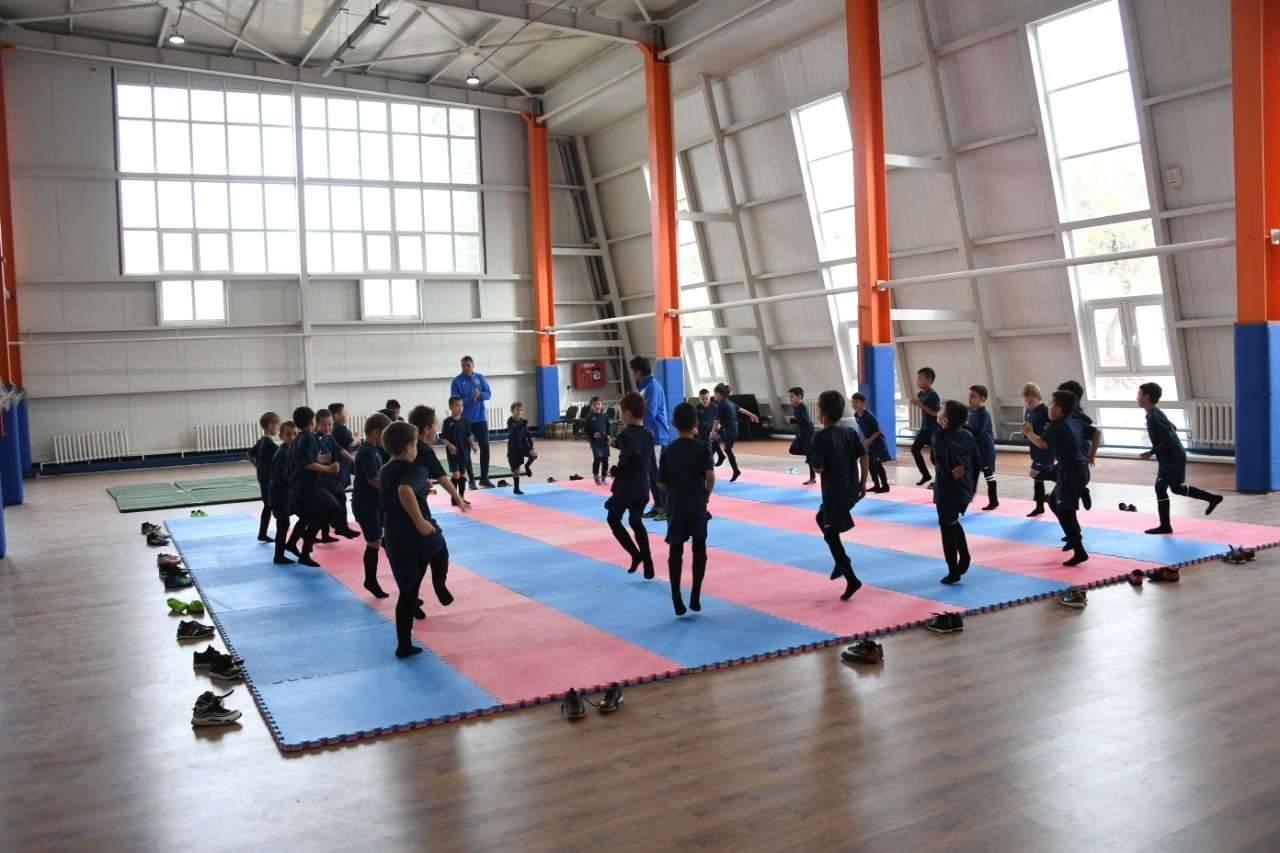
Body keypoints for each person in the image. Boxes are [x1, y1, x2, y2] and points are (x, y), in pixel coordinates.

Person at [379, 420, 470, 659]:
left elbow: (397, 491)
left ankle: (404, 645)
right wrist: (420, 521)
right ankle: (439, 584)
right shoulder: (417, 470)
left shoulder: (384, 470)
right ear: (409, 447)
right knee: (440, 550)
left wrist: (422, 489)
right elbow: (404, 491)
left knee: (408, 592)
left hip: (394, 537)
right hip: (418, 535)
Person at [1138, 382, 1222, 534]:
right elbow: (1173, 428)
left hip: (1172, 456)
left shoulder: (1154, 416)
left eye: (1139, 394)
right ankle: (1212, 498)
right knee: (1176, 488)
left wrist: (1151, 452)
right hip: (1171, 455)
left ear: (1147, 397)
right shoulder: (1154, 413)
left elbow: (1169, 438)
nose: (1137, 398)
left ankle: (1165, 526)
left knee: (1160, 488)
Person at [658, 402, 715, 616]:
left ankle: (676, 597)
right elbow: (710, 477)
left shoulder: (668, 451)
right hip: (697, 504)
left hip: (676, 505)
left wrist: (673, 492)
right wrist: (706, 495)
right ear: (696, 424)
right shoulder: (703, 448)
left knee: (676, 551)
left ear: (673, 423)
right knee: (699, 549)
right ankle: (695, 595)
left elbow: (660, 483)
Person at [809, 390, 867, 601]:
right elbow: (864, 455)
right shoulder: (849, 432)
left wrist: (814, 459)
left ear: (822, 413)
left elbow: (819, 469)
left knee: (831, 534)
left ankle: (850, 576)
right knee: (820, 518)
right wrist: (863, 482)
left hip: (834, 493)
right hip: (851, 489)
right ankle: (840, 561)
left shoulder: (820, 437)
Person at [1022, 390, 1090, 568]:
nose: (1049, 407)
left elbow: (1042, 444)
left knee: (1065, 511)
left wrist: (1029, 432)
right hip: (1074, 469)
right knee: (1053, 502)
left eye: (1051, 404)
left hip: (1071, 472)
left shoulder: (1057, 425)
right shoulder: (1072, 420)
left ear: (1058, 409)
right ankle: (1075, 533)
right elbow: (1090, 436)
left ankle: (1079, 551)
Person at [607, 392, 655, 578]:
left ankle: (636, 554)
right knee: (635, 520)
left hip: (626, 486)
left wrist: (616, 470)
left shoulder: (625, 434)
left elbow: (631, 456)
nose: (620, 415)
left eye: (620, 412)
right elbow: (642, 454)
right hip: (643, 485)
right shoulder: (649, 435)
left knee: (613, 519)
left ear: (627, 413)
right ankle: (648, 561)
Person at [287, 406, 342, 567]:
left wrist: (323, 459)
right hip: (308, 487)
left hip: (299, 486)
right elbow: (307, 464)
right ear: (312, 421)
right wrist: (329, 468)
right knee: (331, 509)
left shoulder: (299, 438)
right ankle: (305, 551)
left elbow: (309, 458)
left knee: (306, 517)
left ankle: (292, 543)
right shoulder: (309, 438)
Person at [934, 400, 981, 584]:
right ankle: (964, 556)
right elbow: (977, 463)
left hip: (947, 487)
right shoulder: (968, 435)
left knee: (946, 527)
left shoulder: (939, 435)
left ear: (945, 419)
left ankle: (953, 570)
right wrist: (973, 487)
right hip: (965, 486)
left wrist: (949, 475)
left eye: (941, 409)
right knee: (952, 521)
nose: (938, 411)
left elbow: (940, 461)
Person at [353, 412, 392, 599]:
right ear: (377, 432)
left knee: (382, 539)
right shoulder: (367, 452)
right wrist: (394, 488)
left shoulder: (373, 449)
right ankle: (370, 580)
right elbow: (373, 480)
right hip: (366, 505)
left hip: (374, 503)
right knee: (374, 542)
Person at [630, 356, 674, 520]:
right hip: (649, 436)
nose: (632, 375)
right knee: (651, 473)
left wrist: (635, 428)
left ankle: (668, 507)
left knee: (659, 473)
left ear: (638, 372)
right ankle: (658, 505)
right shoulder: (644, 387)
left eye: (633, 372)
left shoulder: (652, 387)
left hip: (657, 436)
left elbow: (649, 413)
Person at [315, 407, 359, 542]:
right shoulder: (315, 439)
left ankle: (328, 532)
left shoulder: (329, 437)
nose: (327, 427)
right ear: (316, 424)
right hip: (322, 477)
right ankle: (340, 526)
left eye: (329, 424)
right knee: (337, 499)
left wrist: (353, 461)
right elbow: (314, 459)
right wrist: (325, 460)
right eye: (323, 425)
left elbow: (340, 450)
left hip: (331, 475)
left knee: (333, 502)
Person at [451, 356, 495, 488]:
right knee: (466, 451)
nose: (465, 368)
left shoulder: (479, 378)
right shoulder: (456, 381)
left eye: (468, 365)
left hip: (480, 419)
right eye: (463, 366)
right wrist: (471, 398)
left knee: (485, 446)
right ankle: (471, 480)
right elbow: (455, 402)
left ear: (473, 365)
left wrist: (479, 395)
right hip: (464, 421)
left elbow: (488, 394)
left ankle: (484, 478)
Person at [711, 382, 759, 483]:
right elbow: (740, 409)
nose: (714, 395)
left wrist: (713, 431)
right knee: (714, 440)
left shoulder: (722, 404)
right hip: (728, 428)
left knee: (726, 449)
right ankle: (721, 457)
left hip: (730, 430)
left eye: (715, 393)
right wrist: (751, 414)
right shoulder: (729, 402)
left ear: (719, 394)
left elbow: (716, 420)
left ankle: (735, 470)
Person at [1021, 383, 1053, 517]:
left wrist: (1031, 433)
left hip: (1045, 450)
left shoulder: (1046, 411)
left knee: (1034, 474)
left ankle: (1055, 494)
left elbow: (1049, 434)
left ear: (1039, 397)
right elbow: (1028, 430)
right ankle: (1039, 506)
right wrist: (1025, 432)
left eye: (1031, 402)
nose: (1029, 405)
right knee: (1038, 479)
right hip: (1035, 450)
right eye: (1026, 402)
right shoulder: (1029, 411)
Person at [268, 420, 297, 565]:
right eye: (288, 434)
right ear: (281, 436)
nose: (292, 437)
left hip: (285, 493)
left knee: (287, 522)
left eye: (294, 434)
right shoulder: (283, 453)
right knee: (283, 524)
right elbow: (281, 477)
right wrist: (296, 480)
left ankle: (288, 547)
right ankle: (278, 556)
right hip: (280, 495)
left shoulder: (289, 450)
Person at [249, 411, 280, 543]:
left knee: (268, 506)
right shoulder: (269, 444)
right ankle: (276, 533)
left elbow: (249, 454)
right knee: (274, 506)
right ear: (270, 425)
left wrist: (257, 466)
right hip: (268, 480)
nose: (278, 428)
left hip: (263, 478)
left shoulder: (261, 441)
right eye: (277, 425)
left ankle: (262, 533)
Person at [966, 385, 999, 511]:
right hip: (975, 449)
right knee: (972, 473)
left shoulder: (985, 414)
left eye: (973, 396)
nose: (970, 399)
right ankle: (969, 495)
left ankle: (994, 501)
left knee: (989, 475)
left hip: (986, 450)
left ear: (983, 398)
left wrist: (963, 426)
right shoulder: (971, 413)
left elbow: (978, 432)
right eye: (970, 396)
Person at [851, 392, 890, 493]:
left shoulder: (869, 416)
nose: (854, 404)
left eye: (856, 402)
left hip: (877, 443)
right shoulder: (856, 415)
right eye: (853, 402)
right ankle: (876, 485)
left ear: (863, 403)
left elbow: (877, 431)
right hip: (869, 443)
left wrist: (869, 440)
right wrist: (865, 441)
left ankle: (885, 486)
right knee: (870, 465)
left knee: (877, 464)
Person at [908, 367, 941, 486]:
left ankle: (940, 480)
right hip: (924, 428)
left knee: (935, 458)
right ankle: (925, 474)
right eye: (918, 378)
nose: (918, 381)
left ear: (929, 380)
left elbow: (936, 413)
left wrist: (919, 404)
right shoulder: (921, 394)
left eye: (920, 378)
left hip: (934, 430)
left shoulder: (933, 395)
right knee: (914, 449)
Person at [441, 396, 477, 498]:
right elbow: (443, 438)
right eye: (457, 406)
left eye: (461, 405)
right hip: (453, 454)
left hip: (464, 452)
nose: (460, 408)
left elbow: (469, 436)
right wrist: (450, 445)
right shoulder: (447, 422)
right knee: (456, 474)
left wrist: (473, 445)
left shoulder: (465, 421)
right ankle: (454, 497)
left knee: (461, 474)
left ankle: (461, 498)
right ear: (450, 407)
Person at [787, 387, 816, 485]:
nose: (790, 399)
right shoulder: (796, 407)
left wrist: (792, 420)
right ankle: (811, 454)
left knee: (810, 456)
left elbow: (806, 421)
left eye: (792, 397)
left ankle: (812, 478)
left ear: (799, 397)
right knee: (793, 449)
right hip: (801, 433)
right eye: (790, 397)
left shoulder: (802, 407)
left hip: (808, 433)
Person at [506, 402, 536, 495]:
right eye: (517, 410)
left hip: (523, 445)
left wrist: (531, 446)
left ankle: (527, 466)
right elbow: (512, 431)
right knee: (516, 469)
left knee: (534, 454)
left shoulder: (523, 422)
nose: (519, 412)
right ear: (512, 411)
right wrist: (521, 424)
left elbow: (528, 435)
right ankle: (516, 488)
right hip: (514, 448)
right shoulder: (510, 421)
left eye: (521, 410)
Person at [584, 396, 611, 486]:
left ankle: (603, 477)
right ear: (591, 406)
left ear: (601, 405)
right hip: (595, 442)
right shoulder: (589, 417)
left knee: (605, 460)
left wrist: (609, 436)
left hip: (604, 441)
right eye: (594, 405)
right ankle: (596, 477)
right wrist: (592, 434)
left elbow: (608, 428)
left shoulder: (605, 416)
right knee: (597, 458)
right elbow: (585, 430)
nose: (597, 406)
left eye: (598, 404)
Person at [695, 388, 719, 461]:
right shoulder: (697, 408)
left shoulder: (714, 407)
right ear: (699, 399)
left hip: (712, 432)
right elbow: (695, 420)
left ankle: (709, 462)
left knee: (711, 451)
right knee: (701, 450)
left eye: (706, 398)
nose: (705, 400)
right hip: (701, 433)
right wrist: (695, 428)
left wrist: (718, 427)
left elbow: (719, 419)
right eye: (702, 399)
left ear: (709, 398)